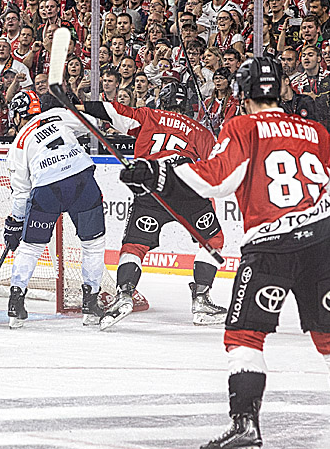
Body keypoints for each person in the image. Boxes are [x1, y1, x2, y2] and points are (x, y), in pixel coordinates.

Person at [120, 57, 330, 449]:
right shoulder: (315, 130)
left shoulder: (242, 127)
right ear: (281, 90)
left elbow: (215, 181)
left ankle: (246, 432)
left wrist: (156, 172)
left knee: (244, 337)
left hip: (271, 248)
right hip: (324, 245)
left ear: (241, 93)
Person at [75, 87, 226, 328]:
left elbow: (114, 111)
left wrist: (81, 106)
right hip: (185, 182)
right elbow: (221, 164)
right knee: (213, 240)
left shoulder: (149, 116)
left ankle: (124, 294)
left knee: (134, 245)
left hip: (151, 181)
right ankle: (201, 301)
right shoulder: (199, 130)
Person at [3, 89, 108, 328]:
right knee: (93, 243)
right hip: (81, 180)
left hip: (47, 188)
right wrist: (75, 107)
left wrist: (15, 223)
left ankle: (15, 302)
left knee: (31, 247)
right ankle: (90, 304)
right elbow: (93, 124)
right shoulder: (58, 114)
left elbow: (21, 192)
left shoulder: (18, 144)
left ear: (17, 115)